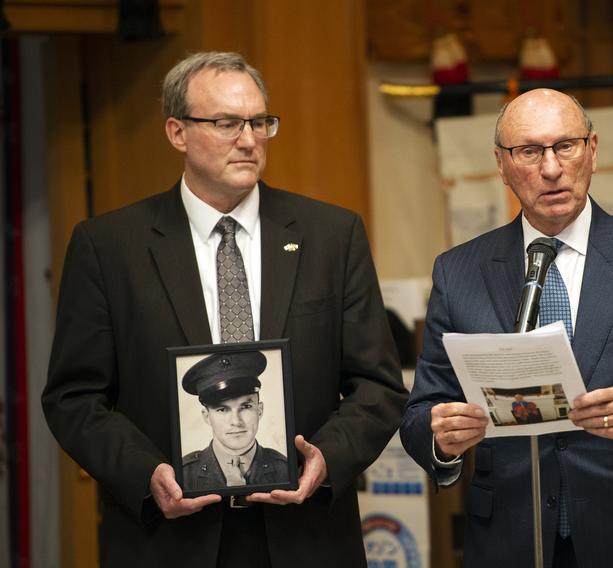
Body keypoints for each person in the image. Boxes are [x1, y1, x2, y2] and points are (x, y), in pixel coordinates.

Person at [42, 51, 407, 567]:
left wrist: (326, 459)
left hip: (305, 536)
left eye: (260, 122)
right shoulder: (108, 247)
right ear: (176, 132)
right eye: (226, 122)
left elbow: (379, 385)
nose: (248, 138)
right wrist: (147, 474)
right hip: (168, 539)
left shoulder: (332, 236)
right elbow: (74, 397)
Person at [400, 88, 613, 567]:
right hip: (511, 542)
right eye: (529, 151)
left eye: (566, 146)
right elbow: (422, 412)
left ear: (593, 151)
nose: (551, 168)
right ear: (501, 164)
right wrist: (442, 437)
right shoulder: (459, 272)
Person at [180, 351, 287, 491]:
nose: (236, 421)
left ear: (259, 410)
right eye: (222, 409)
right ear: (207, 416)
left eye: (246, 406)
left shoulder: (285, 469)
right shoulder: (184, 473)